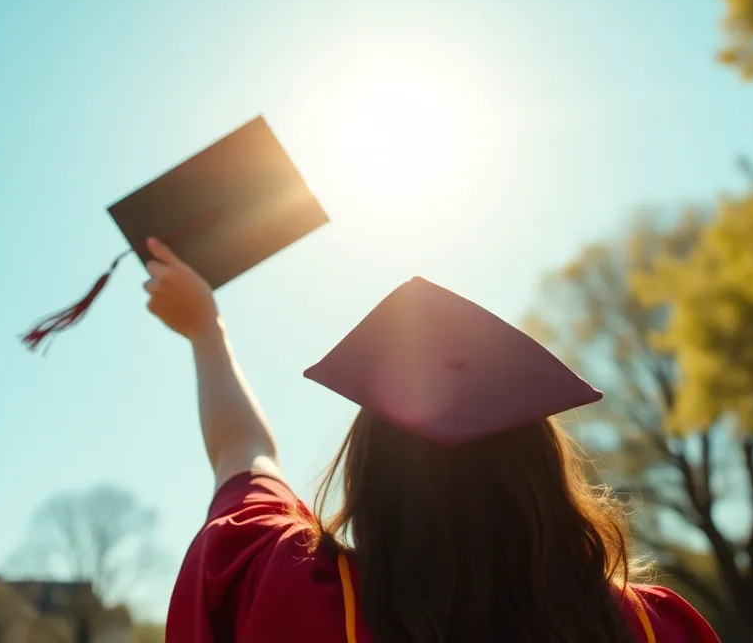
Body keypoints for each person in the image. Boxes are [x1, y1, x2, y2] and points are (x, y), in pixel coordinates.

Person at [143, 236, 720, 643]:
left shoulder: (296, 595)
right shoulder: (651, 630)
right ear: (541, 475)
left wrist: (206, 330)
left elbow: (243, 456)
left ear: (369, 473)